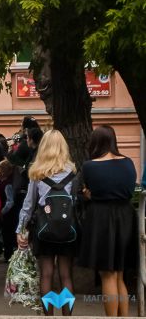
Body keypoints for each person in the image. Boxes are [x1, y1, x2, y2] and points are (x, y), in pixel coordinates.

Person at [16, 130, 77, 317]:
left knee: (47, 274)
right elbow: (74, 200)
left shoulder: (37, 172)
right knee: (66, 274)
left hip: (44, 228)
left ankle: (48, 316)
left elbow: (28, 205)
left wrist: (20, 229)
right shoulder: (72, 171)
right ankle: (67, 315)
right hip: (68, 229)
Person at [78, 126, 137, 317]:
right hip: (126, 217)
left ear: (95, 143)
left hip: (102, 219)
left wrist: (88, 196)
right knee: (120, 274)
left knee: (108, 274)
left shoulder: (90, 166)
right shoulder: (128, 163)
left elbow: (90, 192)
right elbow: (129, 191)